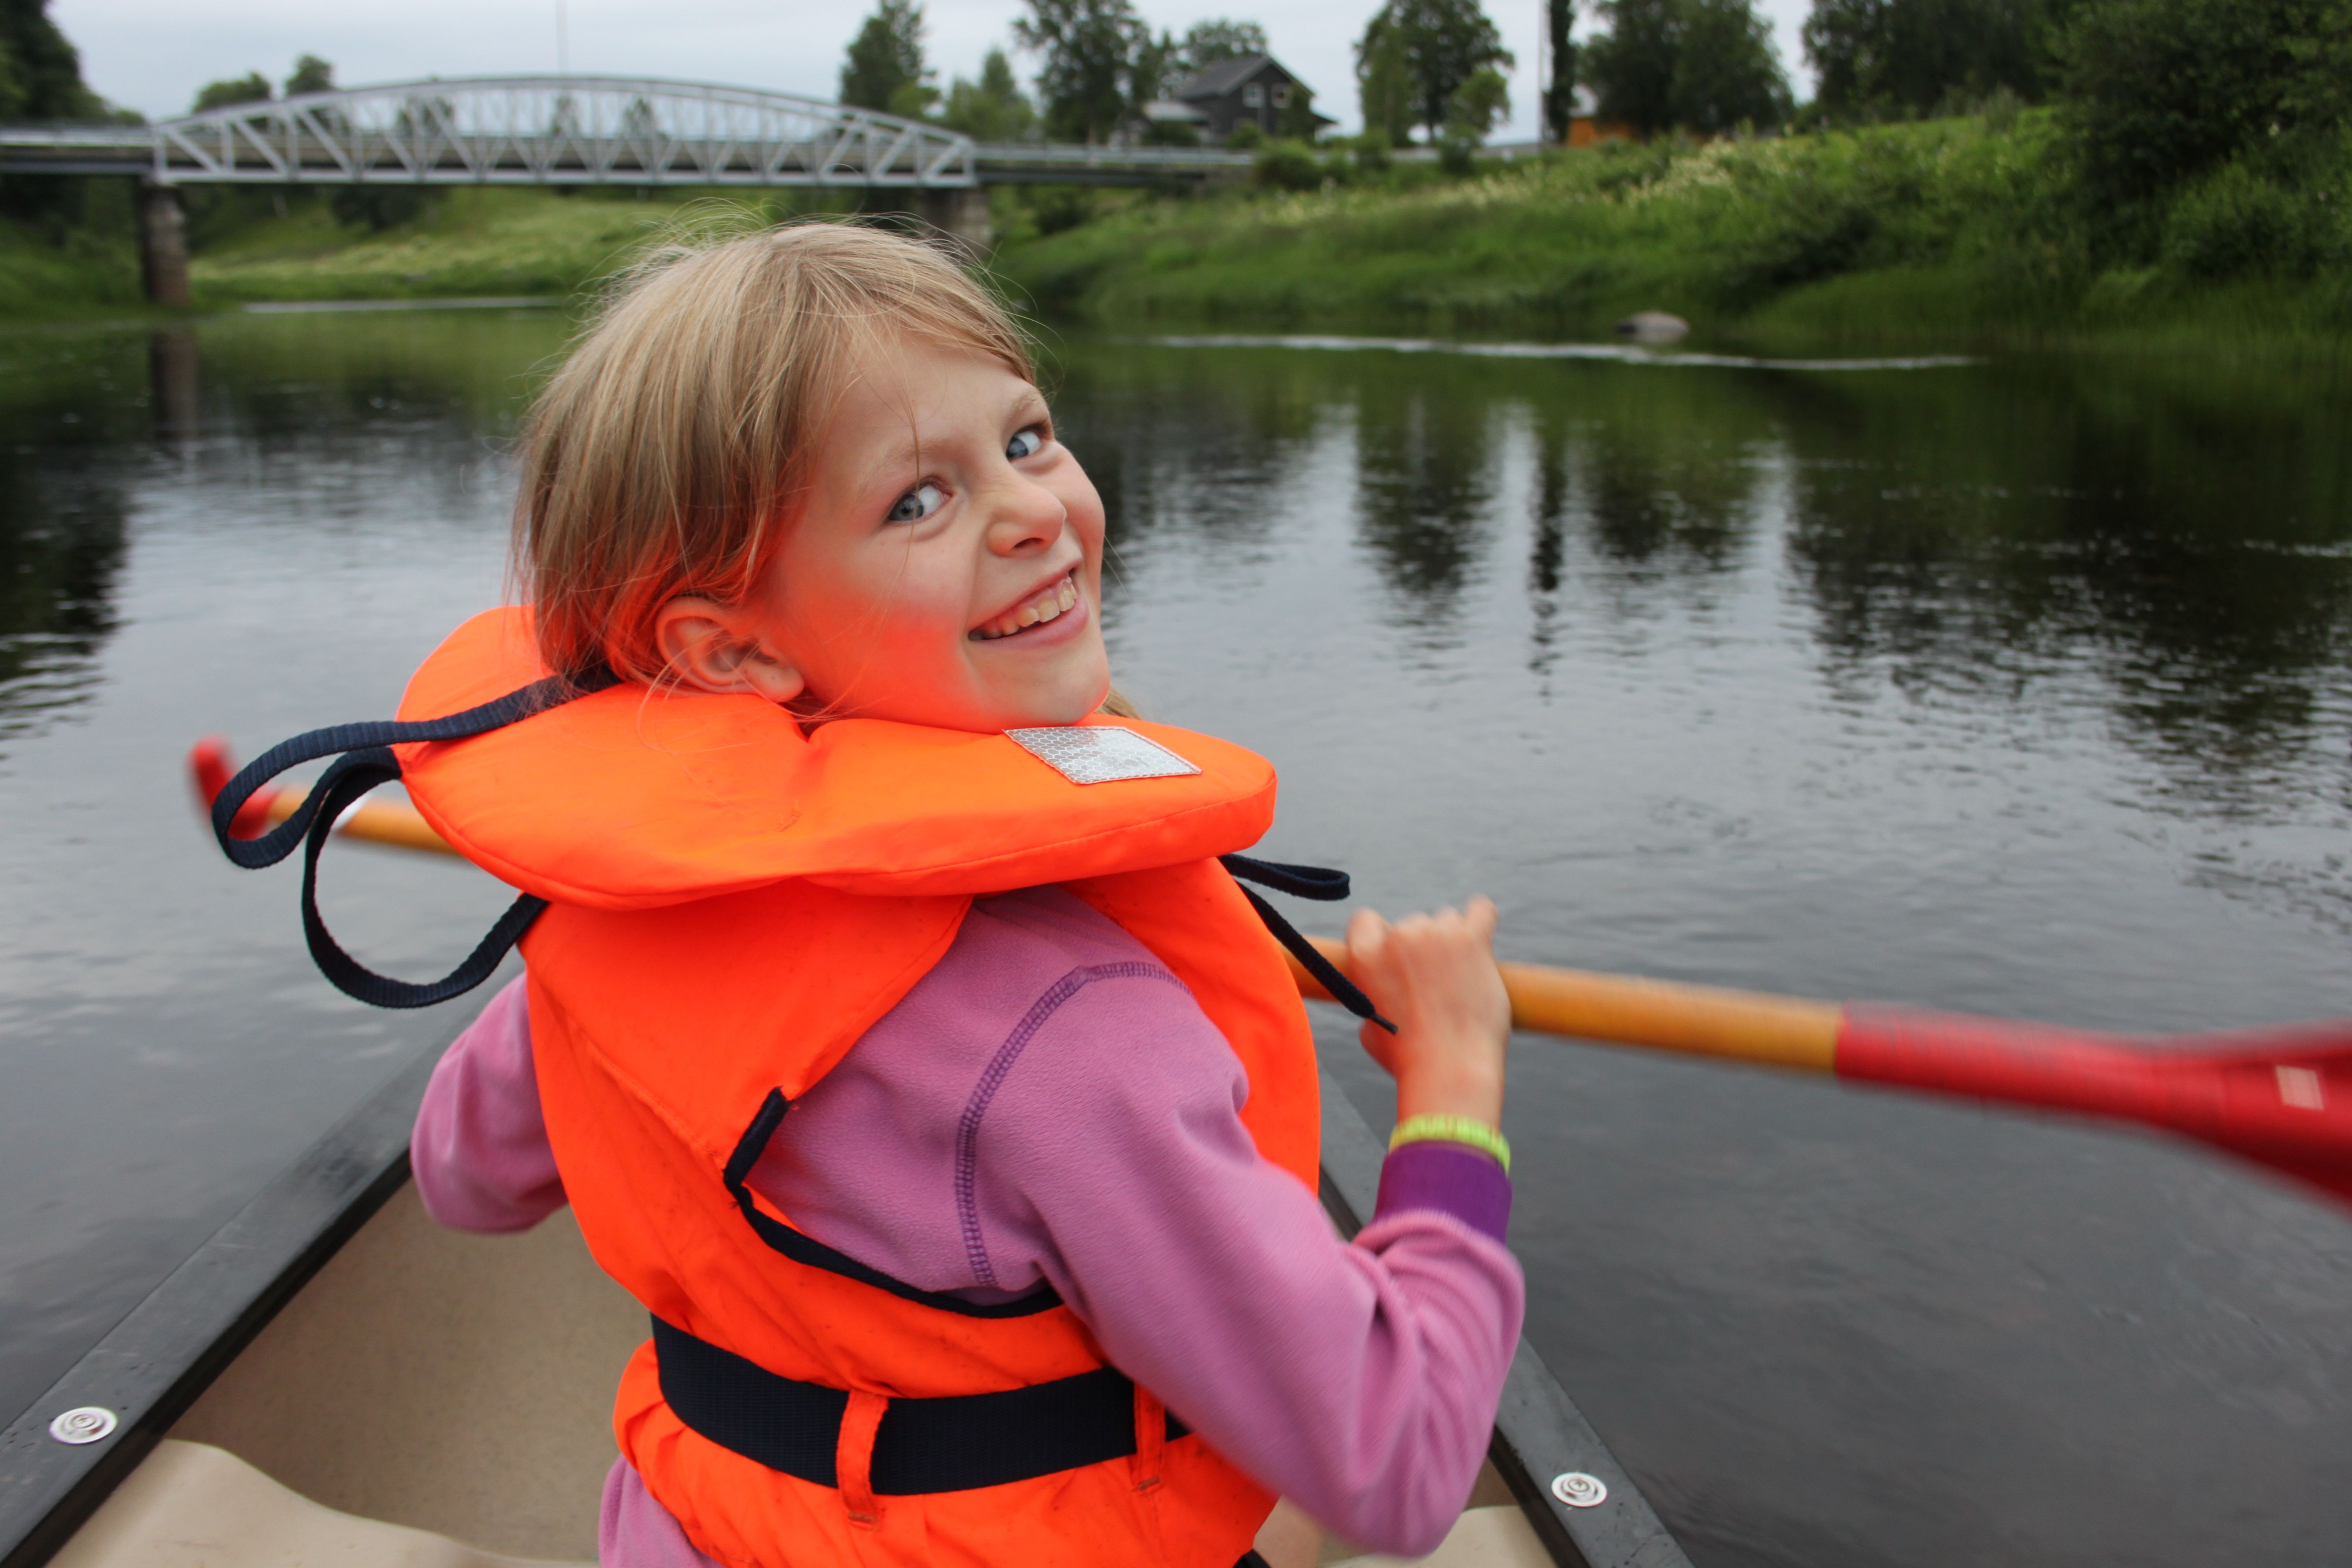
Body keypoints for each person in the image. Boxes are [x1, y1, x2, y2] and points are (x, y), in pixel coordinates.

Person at [399, 221, 1523, 1568]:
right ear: (732, 647)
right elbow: (1395, 1463)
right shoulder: (1083, 1043)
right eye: (918, 501)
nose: (1036, 511)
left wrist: (576, 961)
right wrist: (1453, 1088)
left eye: (1028, 438)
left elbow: (462, 1178)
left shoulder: (610, 929)